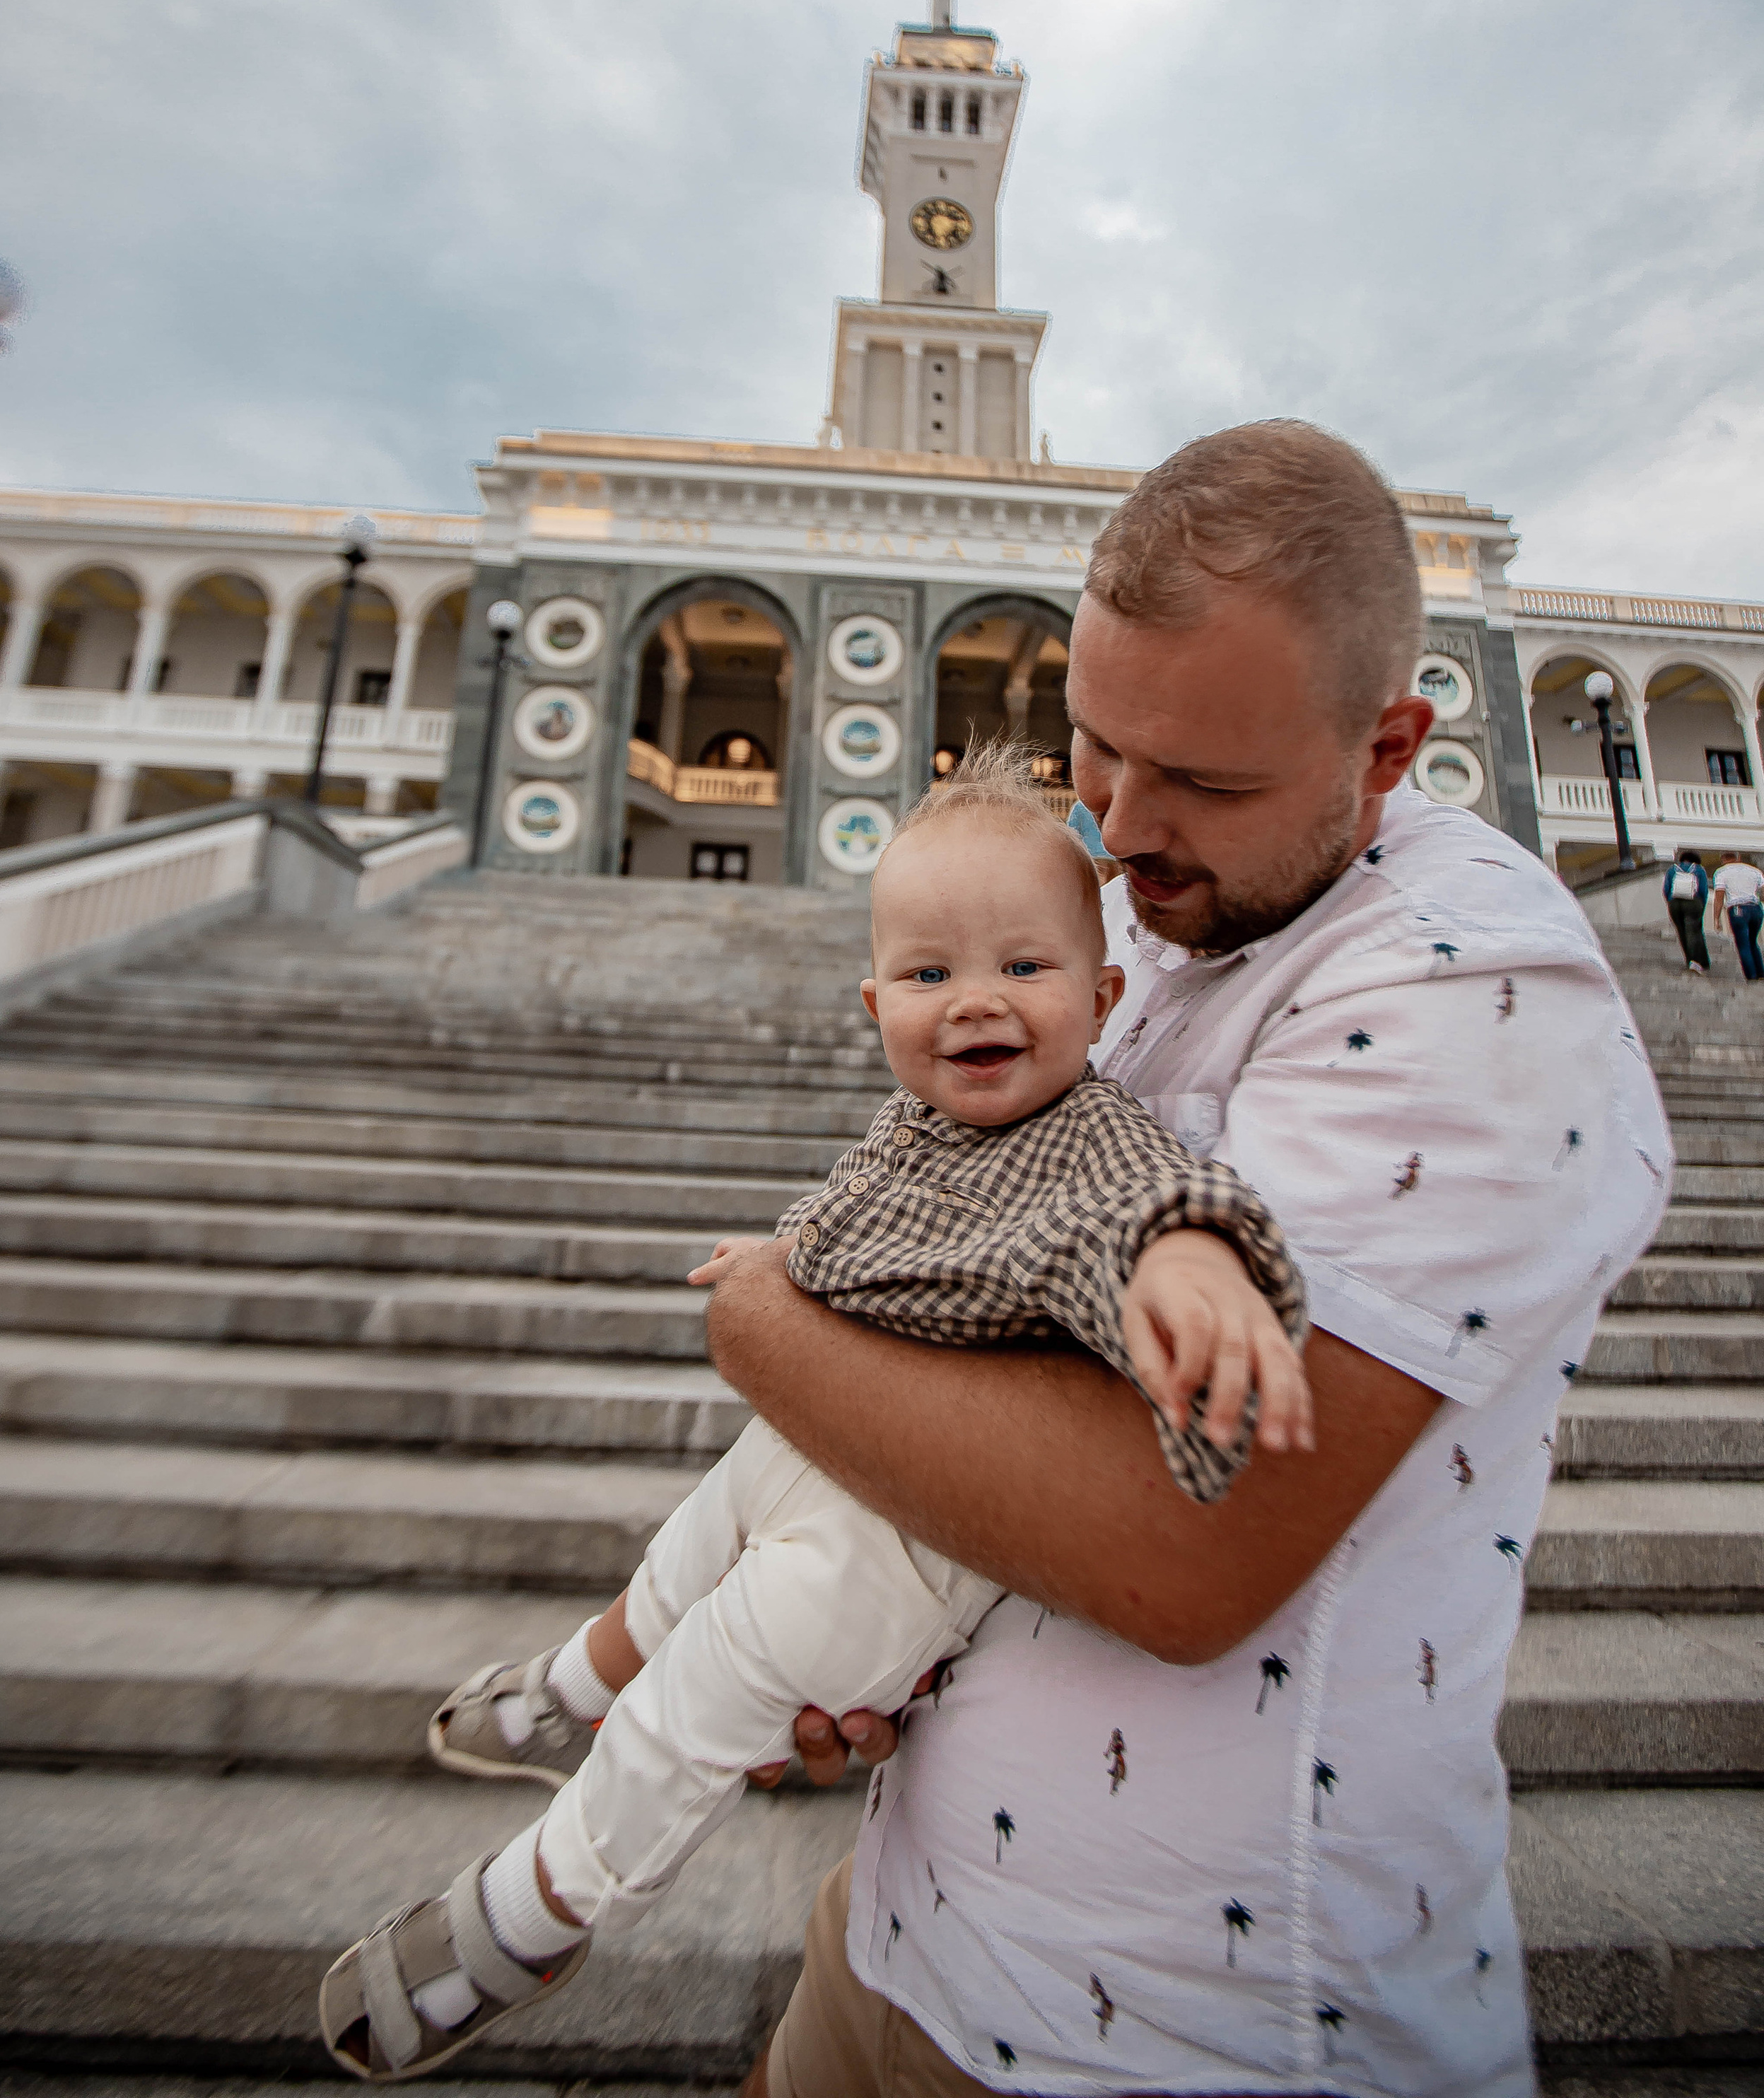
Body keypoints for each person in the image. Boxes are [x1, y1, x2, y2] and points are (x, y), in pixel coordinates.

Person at [706, 420, 1671, 2098]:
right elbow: (991, 1313)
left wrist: (758, 1314)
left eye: (1204, 784)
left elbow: (1183, 1549)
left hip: (1177, 2022)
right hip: (905, 1926)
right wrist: (867, 1622)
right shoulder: (1163, 917)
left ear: (1385, 749)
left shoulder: (1469, 984)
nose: (1122, 831)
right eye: (1093, 746)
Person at [319, 754, 1311, 2085]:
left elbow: (1157, 1210)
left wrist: (1191, 1275)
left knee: (720, 1674)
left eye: (1025, 968)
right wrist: (777, 1257)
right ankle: (573, 1687)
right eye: (929, 975)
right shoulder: (910, 1128)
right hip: (823, 1441)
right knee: (689, 1544)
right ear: (876, 1001)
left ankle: (534, 1908)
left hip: (913, 1541)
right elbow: (844, 1221)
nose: (976, 1002)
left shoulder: (1093, 1134)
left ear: (1104, 995)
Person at [1712, 853, 1764, 983]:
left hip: (1738, 908)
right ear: (1738, 858)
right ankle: (1761, 973)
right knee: (1753, 941)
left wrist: (1716, 919)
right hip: (1755, 907)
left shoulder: (1722, 872)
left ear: (1723, 860)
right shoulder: (1753, 870)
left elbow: (1719, 896)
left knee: (1743, 943)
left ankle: (1751, 976)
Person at [1663, 848, 1711, 973]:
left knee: (1682, 931)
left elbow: (1666, 889)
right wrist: (1701, 905)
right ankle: (1696, 961)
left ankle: (1689, 959)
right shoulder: (1699, 870)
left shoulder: (1672, 870)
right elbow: (1703, 891)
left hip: (1675, 902)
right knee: (1693, 931)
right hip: (1693, 902)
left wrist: (1670, 901)